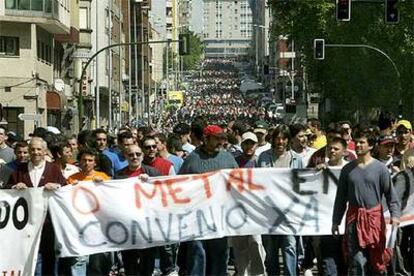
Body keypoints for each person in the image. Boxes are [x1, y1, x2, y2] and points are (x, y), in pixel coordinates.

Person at [332, 130, 401, 274]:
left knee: (377, 261)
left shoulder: (380, 169)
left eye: (362, 142)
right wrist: (335, 221)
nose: (357, 145)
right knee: (357, 261)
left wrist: (395, 216)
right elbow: (340, 199)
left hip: (374, 221)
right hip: (354, 221)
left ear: (370, 146)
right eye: (356, 142)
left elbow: (390, 195)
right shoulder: (347, 170)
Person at [178, 125, 238, 276]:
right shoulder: (192, 160)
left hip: (220, 217)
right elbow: (178, 185)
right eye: (217, 139)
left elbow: (239, 181)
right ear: (205, 139)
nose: (221, 142)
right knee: (197, 253)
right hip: (197, 218)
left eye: (222, 139)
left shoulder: (228, 158)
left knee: (219, 255)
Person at [7, 137, 66, 275]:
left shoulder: (54, 170)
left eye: (39, 149)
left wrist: (57, 186)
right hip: (26, 224)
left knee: (50, 258)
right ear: (28, 151)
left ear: (45, 151)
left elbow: (65, 190)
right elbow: (6, 190)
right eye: (32, 149)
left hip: (49, 223)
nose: (35, 152)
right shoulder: (19, 170)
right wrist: (15, 187)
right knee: (31, 258)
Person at [257, 124, 303, 276]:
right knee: (270, 249)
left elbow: (302, 182)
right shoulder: (263, 157)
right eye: (277, 139)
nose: (280, 142)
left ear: (288, 140)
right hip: (268, 211)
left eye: (283, 139)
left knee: (289, 245)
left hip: (290, 211)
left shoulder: (297, 159)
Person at [115, 144, 161, 275]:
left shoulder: (153, 173)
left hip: (148, 225)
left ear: (142, 155)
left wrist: (150, 182)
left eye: (137, 154)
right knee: (129, 261)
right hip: (128, 226)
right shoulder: (119, 176)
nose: (134, 157)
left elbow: (160, 196)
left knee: (148, 260)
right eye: (130, 154)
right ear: (125, 156)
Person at [67, 147, 111, 275]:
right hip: (78, 225)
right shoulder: (71, 179)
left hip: (97, 225)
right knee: (78, 259)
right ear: (79, 161)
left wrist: (103, 186)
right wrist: (70, 188)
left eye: (90, 160)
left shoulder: (104, 178)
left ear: (95, 162)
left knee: (97, 261)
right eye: (84, 160)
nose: (87, 163)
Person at [231, 131, 266, 275]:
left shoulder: (260, 162)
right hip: (236, 208)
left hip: (255, 209)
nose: (249, 146)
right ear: (242, 145)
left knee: (255, 242)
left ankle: (258, 273)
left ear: (256, 145)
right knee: (239, 245)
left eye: (252, 143)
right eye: (246, 143)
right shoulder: (234, 161)